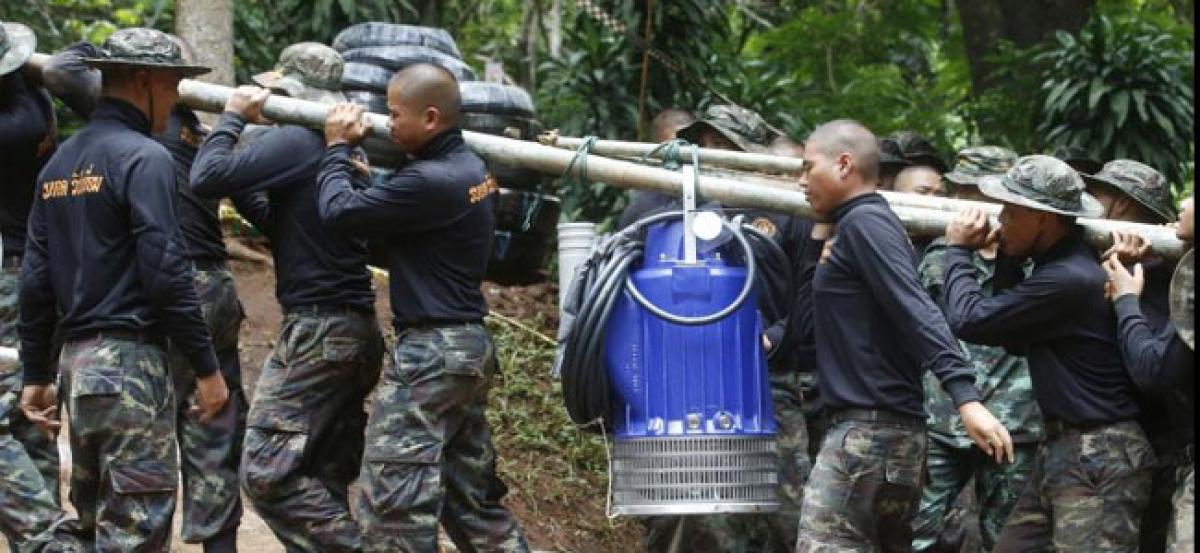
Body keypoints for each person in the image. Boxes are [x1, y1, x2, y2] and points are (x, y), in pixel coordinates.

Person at [19, 27, 229, 550]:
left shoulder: (58, 165)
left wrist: (37, 374)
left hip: (78, 373)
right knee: (136, 528)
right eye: (174, 85)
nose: (177, 98)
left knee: (95, 528)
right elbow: (166, 271)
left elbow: (36, 282)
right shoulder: (144, 158)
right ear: (146, 80)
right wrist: (206, 368)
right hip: (131, 369)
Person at [317, 62, 530, 552]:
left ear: (431, 118)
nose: (387, 124)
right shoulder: (472, 169)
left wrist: (335, 149)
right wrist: (375, 189)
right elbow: (409, 231)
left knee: (394, 504)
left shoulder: (430, 180)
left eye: (395, 114)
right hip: (467, 348)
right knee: (470, 501)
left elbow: (338, 215)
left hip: (430, 356)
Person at [189, 43, 384, 551]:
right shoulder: (339, 148)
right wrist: (247, 174)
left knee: (267, 473)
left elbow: (205, 179)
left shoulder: (300, 139)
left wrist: (230, 122)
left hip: (320, 333)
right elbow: (285, 223)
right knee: (322, 476)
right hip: (353, 329)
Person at [797, 120, 1012, 551]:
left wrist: (965, 397)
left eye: (807, 168)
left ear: (844, 164)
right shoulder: (854, 227)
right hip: (880, 432)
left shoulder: (867, 225)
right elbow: (806, 329)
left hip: (869, 433)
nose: (801, 181)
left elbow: (916, 308)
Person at [617, 104, 819, 552]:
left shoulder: (785, 207)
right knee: (684, 515)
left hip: (768, 384)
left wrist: (776, 337)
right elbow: (616, 289)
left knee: (785, 517)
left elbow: (811, 301)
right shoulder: (655, 203)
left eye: (726, 144)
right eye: (704, 141)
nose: (712, 151)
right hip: (676, 390)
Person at [940, 155, 1155, 552]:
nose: (1000, 219)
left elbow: (968, 320)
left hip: (1099, 454)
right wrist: (1009, 257)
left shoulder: (1068, 278)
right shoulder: (1057, 267)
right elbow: (1011, 338)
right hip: (1063, 447)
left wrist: (956, 251)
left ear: (1043, 218)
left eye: (1011, 211)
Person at [911, 146, 1042, 552]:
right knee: (918, 530)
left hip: (1014, 426)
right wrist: (960, 251)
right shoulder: (938, 255)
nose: (966, 202)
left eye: (978, 192)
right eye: (961, 190)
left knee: (1005, 537)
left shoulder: (1036, 260)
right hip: (944, 418)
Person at [0, 20, 87, 552]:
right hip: (37, 272)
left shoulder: (12, 126)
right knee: (31, 413)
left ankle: (46, 537)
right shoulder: (33, 103)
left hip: (9, 277)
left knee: (13, 411)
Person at [1085, 160, 1186, 553]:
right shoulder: (1113, 263)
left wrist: (1126, 298)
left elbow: (1152, 370)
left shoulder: (1165, 274)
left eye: (1100, 193)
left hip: (1159, 447)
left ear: (1122, 206)